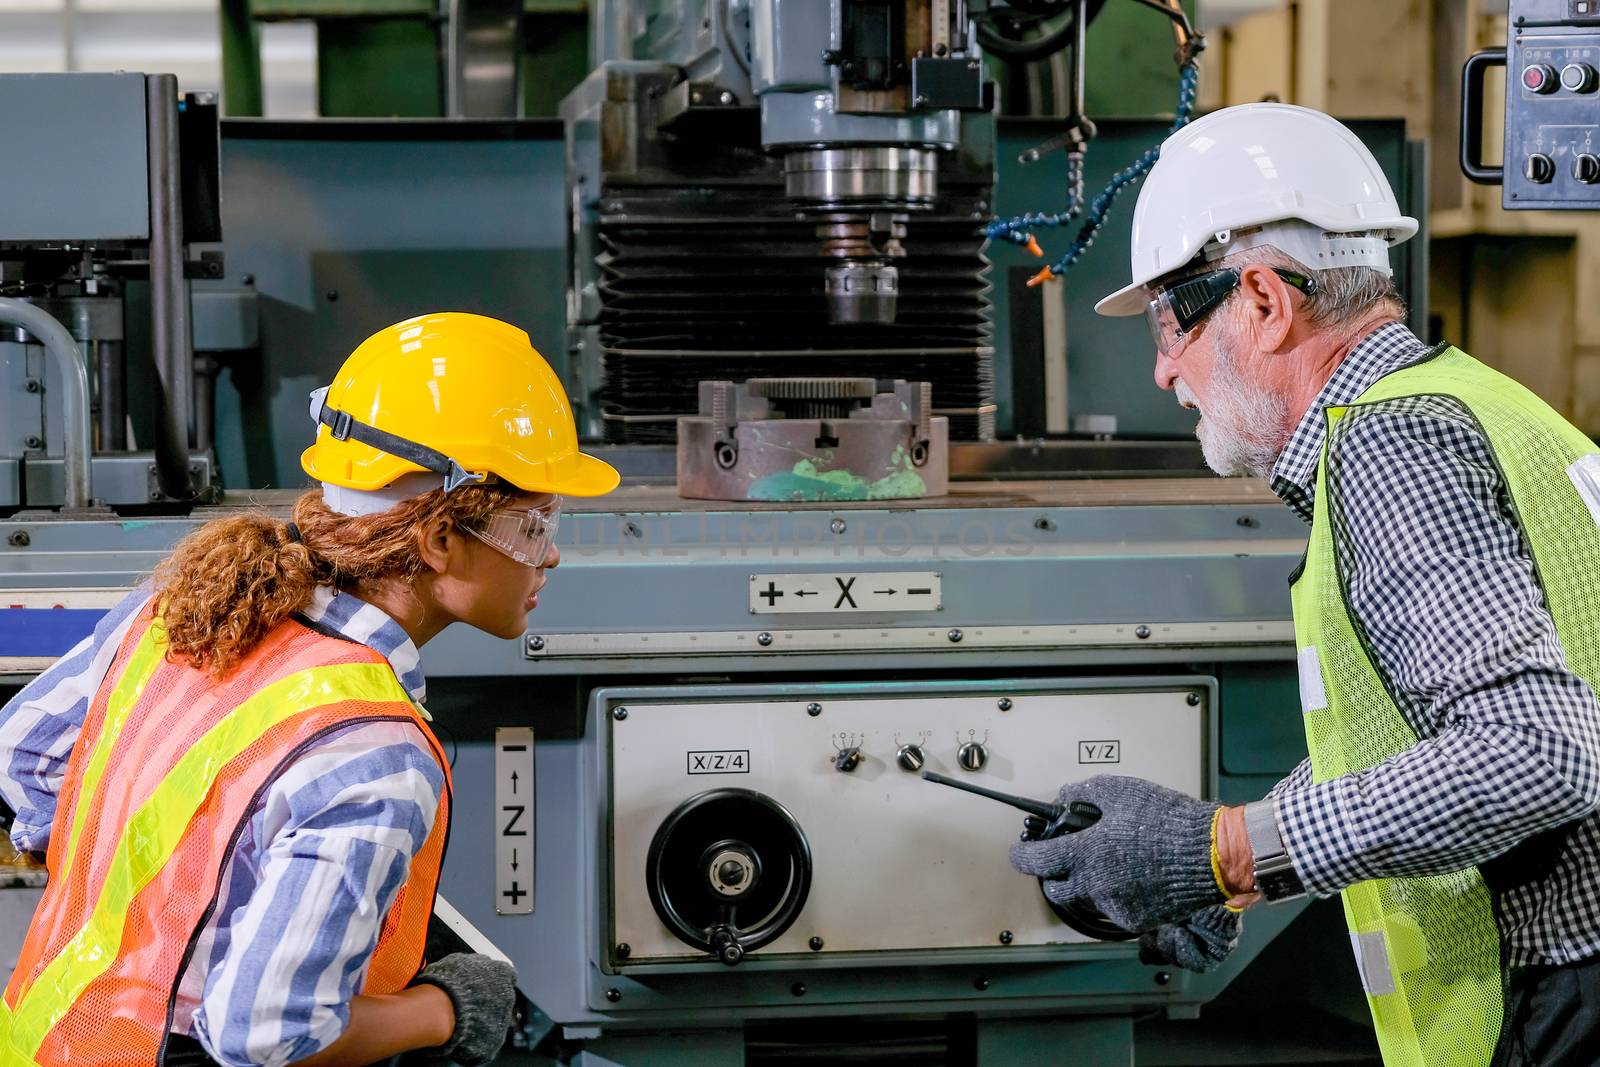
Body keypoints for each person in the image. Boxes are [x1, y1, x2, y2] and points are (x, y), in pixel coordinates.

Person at [1008, 103, 1600, 1066]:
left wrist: (1220, 847)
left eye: (1168, 325)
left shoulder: (1392, 446)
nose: (1163, 371)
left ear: (1264, 303)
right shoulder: (1477, 403)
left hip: (1564, 1005)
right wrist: (1231, 874)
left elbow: (1534, 751)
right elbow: (1423, 732)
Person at [0, 312, 619, 1065]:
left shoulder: (178, 608)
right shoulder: (375, 752)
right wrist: (444, 1009)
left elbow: (24, 754)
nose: (550, 555)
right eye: (533, 524)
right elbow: (263, 1034)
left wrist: (137, 908)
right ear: (439, 539)